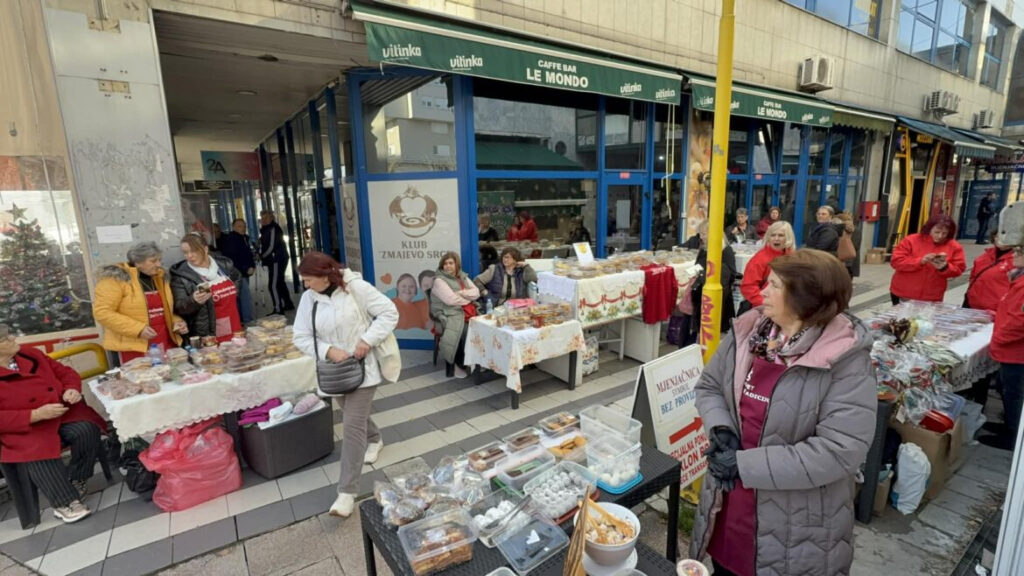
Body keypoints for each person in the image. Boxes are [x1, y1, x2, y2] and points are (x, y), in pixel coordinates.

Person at [690, 250, 876, 576]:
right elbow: (709, 386)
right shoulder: (750, 333)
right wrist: (721, 429)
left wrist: (744, 465)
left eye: (774, 285)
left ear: (806, 299)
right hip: (729, 505)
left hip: (794, 528)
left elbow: (839, 451)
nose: (762, 292)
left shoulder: (845, 359)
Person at [292, 252, 399, 517]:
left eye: (308, 279)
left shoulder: (356, 288)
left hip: (364, 368)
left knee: (351, 426)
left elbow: (389, 312)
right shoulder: (309, 299)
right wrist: (328, 350)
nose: (305, 284)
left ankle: (346, 492)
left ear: (324, 275)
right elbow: (300, 336)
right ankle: (375, 438)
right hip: (335, 371)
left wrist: (367, 340)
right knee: (355, 416)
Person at [0, 323, 108, 523]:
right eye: (6, 339)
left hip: (60, 415)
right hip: (24, 428)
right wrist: (35, 414)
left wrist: (71, 388)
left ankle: (77, 479)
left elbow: (66, 373)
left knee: (86, 429)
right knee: (37, 449)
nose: (13, 338)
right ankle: (65, 502)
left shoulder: (31, 355)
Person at [93, 242, 188, 363]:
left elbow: (161, 310)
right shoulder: (115, 280)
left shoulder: (159, 277)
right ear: (138, 262)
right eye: (153, 261)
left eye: (159, 260)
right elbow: (102, 313)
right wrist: (138, 329)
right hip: (134, 346)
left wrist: (176, 322)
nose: (159, 265)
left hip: (164, 340)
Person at [979, 246, 1024, 451]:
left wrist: (998, 338)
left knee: (1014, 393)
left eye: (1020, 253)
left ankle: (1013, 437)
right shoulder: (1018, 278)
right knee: (1008, 390)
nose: (1014, 255)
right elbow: (1011, 311)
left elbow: (1019, 322)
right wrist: (996, 317)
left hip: (1016, 352)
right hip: (1010, 348)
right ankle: (1008, 426)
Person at [170, 234, 243, 343]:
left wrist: (233, 292)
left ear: (205, 249)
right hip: (208, 334)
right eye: (185, 252)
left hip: (234, 324)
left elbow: (237, 277)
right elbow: (179, 307)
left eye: (194, 251)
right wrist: (194, 300)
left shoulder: (223, 264)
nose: (189, 256)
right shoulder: (181, 276)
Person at [679, 222, 736, 347]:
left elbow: (729, 275)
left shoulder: (726, 251)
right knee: (692, 331)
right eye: (700, 234)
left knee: (707, 336)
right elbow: (698, 265)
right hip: (698, 296)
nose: (701, 237)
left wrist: (704, 275)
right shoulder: (704, 248)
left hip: (715, 301)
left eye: (704, 234)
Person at [889, 214, 966, 304]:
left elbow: (959, 269)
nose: (940, 236)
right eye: (937, 232)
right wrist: (920, 261)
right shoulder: (911, 240)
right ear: (929, 229)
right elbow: (896, 261)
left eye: (944, 233)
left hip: (932, 295)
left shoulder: (954, 246)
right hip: (903, 293)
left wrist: (944, 267)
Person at [430, 252, 480, 379]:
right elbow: (451, 300)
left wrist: (461, 293)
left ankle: (476, 360)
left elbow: (476, 292)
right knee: (464, 331)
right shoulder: (439, 280)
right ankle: (458, 364)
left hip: (464, 311)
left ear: (456, 264)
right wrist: (467, 298)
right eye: (445, 264)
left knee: (482, 328)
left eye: (451, 263)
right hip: (447, 312)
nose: (448, 266)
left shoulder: (462, 276)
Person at [739, 221, 795, 311]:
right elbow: (748, 287)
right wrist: (766, 304)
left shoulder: (793, 256)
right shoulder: (759, 259)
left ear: (788, 237)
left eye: (781, 235)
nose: (776, 238)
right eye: (773, 235)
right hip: (767, 309)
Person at [219, 219, 257, 324]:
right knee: (245, 296)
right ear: (233, 227)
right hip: (237, 273)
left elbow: (248, 254)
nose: (243, 228)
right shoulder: (231, 240)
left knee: (240, 296)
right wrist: (245, 268)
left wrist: (252, 266)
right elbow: (232, 259)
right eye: (240, 226)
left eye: (244, 226)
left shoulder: (244, 238)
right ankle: (247, 320)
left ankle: (241, 319)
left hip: (245, 272)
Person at [474, 247, 538, 307]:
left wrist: (527, 266)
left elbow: (533, 279)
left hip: (517, 307)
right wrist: (484, 292)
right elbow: (477, 281)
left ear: (515, 259)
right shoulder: (495, 269)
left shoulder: (521, 271)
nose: (505, 259)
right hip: (496, 306)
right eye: (504, 257)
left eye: (508, 257)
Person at [259, 210, 294, 314]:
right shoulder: (266, 229)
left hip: (276, 259)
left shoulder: (273, 228)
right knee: (280, 282)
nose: (264, 220)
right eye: (262, 218)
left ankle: (278, 309)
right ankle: (288, 304)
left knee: (273, 285)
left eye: (266, 218)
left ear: (272, 218)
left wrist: (262, 256)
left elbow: (271, 246)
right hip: (276, 258)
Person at [834, 211, 858, 277]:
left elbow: (856, 245)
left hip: (846, 256)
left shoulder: (845, 229)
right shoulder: (847, 229)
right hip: (846, 257)